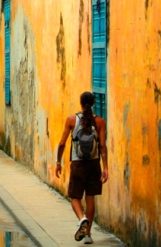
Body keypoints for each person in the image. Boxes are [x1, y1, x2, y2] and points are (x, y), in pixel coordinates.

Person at [56, 92, 108, 245]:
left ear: (80, 103)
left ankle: (81, 218)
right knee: (90, 197)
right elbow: (103, 146)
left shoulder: (72, 120)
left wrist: (58, 162)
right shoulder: (99, 121)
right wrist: (105, 168)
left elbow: (61, 143)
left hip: (78, 164)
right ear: (93, 104)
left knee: (74, 197)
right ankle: (88, 234)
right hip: (94, 163)